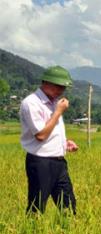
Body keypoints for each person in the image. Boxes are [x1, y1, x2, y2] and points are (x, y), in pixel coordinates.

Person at [20, 66, 78, 214]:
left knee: (68, 206)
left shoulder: (54, 102)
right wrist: (58, 112)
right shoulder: (31, 103)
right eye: (58, 87)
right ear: (46, 83)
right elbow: (40, 135)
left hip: (59, 161)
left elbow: (50, 131)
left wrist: (65, 143)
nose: (61, 91)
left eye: (63, 88)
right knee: (37, 206)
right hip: (40, 162)